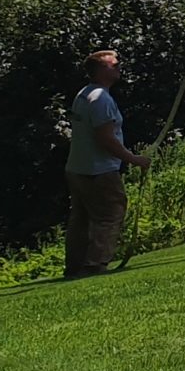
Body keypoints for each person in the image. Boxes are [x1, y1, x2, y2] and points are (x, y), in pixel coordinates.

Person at [64, 49, 150, 276]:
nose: (119, 67)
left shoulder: (84, 94)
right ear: (101, 70)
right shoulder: (101, 99)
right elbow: (106, 140)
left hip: (77, 168)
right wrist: (135, 160)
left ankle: (75, 266)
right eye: (114, 65)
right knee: (110, 213)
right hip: (99, 171)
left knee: (81, 218)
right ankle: (95, 264)